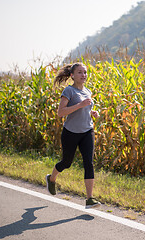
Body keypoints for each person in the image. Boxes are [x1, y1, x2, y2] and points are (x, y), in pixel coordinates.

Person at [46, 62, 101, 209]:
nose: (83, 75)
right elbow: (61, 113)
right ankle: (51, 179)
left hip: (87, 131)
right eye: (80, 72)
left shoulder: (88, 91)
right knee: (67, 162)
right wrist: (80, 105)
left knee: (88, 163)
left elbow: (86, 110)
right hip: (71, 132)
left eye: (85, 72)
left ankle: (89, 199)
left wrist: (93, 113)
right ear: (72, 75)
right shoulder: (68, 91)